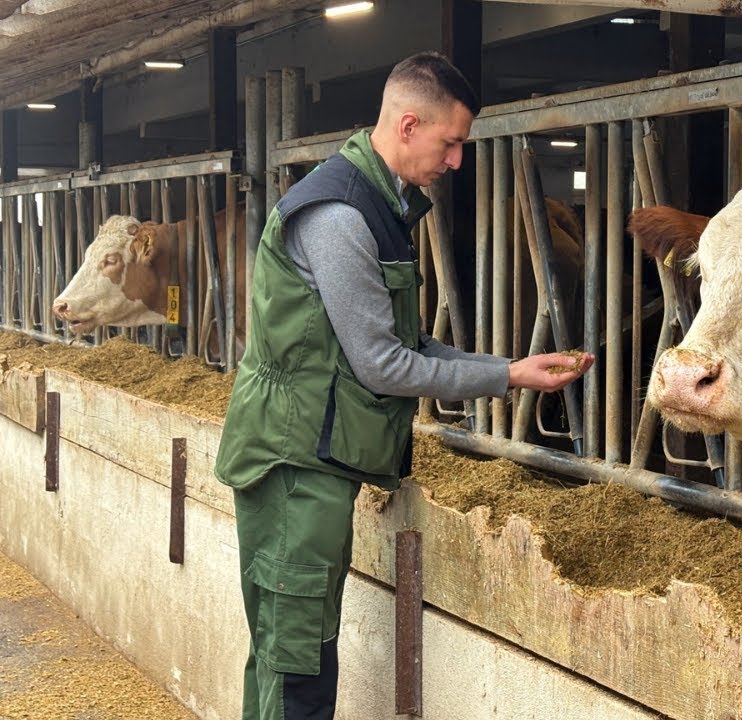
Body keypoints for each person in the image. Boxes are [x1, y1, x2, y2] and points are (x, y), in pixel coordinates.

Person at [213, 51, 593, 720]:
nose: (455, 162)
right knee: (296, 664)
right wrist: (504, 376)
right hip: (292, 466)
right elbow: (382, 365)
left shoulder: (379, 208)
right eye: (450, 144)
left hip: (315, 462)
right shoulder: (340, 216)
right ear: (410, 124)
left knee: (289, 654)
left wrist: (512, 370)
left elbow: (409, 345)